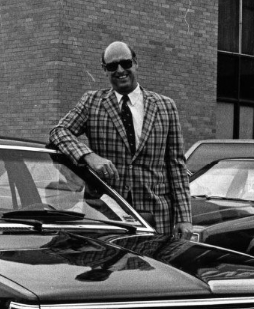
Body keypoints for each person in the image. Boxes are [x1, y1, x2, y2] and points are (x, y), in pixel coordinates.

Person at [49, 41, 193, 239]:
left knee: (156, 269)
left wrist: (184, 218)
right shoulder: (92, 102)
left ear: (135, 63)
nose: (120, 70)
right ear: (104, 70)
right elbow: (58, 132)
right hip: (107, 215)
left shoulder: (166, 106)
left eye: (125, 63)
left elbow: (176, 166)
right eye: (112, 66)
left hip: (157, 217)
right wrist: (89, 156)